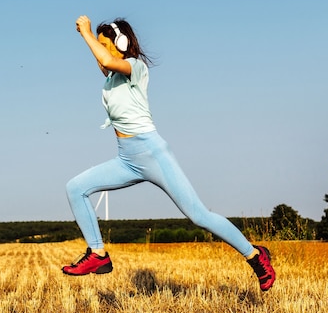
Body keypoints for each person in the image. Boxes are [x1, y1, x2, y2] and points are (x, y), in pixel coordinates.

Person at [62, 15, 276, 291]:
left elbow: (106, 60)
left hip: (152, 154)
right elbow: (104, 63)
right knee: (75, 188)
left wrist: (87, 33)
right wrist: (90, 39)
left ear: (122, 43)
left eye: (107, 44)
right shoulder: (112, 78)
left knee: (199, 216)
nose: (102, 50)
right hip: (127, 159)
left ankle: (256, 256)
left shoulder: (135, 67)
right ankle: (98, 255)